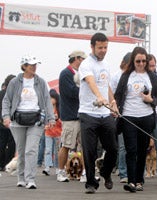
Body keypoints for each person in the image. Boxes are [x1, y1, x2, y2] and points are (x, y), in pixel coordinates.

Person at [2, 55, 55, 189]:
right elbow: (7, 100)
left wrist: (51, 118)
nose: (34, 67)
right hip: (18, 120)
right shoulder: (15, 82)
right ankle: (21, 177)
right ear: (24, 66)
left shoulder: (41, 82)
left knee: (30, 150)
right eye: (31, 65)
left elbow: (47, 100)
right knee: (21, 149)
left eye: (35, 65)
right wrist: (6, 116)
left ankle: (30, 179)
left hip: (36, 120)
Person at [114, 47, 157, 192]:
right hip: (129, 116)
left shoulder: (152, 76)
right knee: (131, 149)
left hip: (146, 117)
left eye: (143, 61)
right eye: (138, 61)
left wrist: (151, 100)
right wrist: (116, 108)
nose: (141, 64)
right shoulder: (126, 76)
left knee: (142, 150)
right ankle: (131, 181)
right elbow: (117, 95)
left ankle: (140, 180)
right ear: (132, 61)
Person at [78, 32, 118, 194]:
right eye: (100, 47)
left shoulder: (106, 64)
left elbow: (105, 85)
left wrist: (113, 102)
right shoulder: (86, 64)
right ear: (92, 47)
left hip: (105, 114)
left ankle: (106, 172)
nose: (103, 50)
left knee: (113, 148)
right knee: (89, 151)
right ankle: (90, 183)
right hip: (88, 113)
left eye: (105, 47)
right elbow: (91, 81)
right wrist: (99, 97)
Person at [57, 50, 87, 183]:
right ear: (77, 59)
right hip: (70, 116)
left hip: (82, 114)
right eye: (83, 59)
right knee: (67, 144)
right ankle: (61, 171)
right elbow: (71, 92)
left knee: (85, 145)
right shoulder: (65, 73)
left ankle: (86, 173)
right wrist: (86, 90)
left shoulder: (80, 74)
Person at [111, 52, 131, 184]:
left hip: (134, 114)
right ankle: (123, 172)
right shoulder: (117, 76)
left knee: (134, 146)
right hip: (120, 114)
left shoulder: (136, 76)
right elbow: (111, 94)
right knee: (123, 146)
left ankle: (134, 173)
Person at [42, 89, 62, 176]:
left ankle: (58, 167)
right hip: (48, 132)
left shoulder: (60, 109)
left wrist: (58, 119)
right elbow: (43, 120)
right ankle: (47, 167)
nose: (51, 100)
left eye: (52, 98)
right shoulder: (46, 109)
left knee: (57, 151)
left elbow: (63, 121)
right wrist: (44, 125)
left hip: (58, 133)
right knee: (48, 150)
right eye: (49, 98)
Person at [0, 74, 16, 171]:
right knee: (11, 143)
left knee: (1, 142)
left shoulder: (1, 93)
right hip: (12, 121)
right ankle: (8, 164)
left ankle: (0, 164)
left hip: (1, 122)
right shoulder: (13, 94)